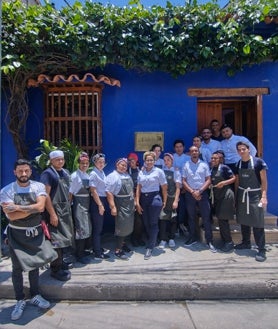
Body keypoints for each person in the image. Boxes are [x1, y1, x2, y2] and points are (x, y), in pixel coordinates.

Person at [0, 159, 57, 321]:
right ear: (14, 172)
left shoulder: (38, 187)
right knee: (17, 268)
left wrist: (17, 207)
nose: (23, 174)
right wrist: (31, 209)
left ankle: (35, 295)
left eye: (26, 171)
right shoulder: (7, 190)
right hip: (16, 234)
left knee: (34, 265)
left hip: (35, 233)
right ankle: (19, 299)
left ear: (30, 171)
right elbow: (11, 216)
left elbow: (40, 208)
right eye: (20, 171)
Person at [40, 150, 74, 281]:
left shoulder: (64, 172)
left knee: (64, 238)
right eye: (57, 160)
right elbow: (45, 195)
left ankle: (60, 262)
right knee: (56, 240)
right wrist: (52, 214)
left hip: (64, 210)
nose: (60, 161)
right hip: (54, 212)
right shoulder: (48, 174)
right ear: (51, 161)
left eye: (62, 159)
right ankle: (55, 269)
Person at [234, 141, 268, 262]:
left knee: (258, 222)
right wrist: (236, 197)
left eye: (243, 149)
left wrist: (264, 196)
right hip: (242, 195)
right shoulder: (238, 164)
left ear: (248, 149)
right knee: (244, 220)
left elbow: (264, 181)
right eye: (239, 150)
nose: (241, 151)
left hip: (255, 195)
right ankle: (246, 242)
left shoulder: (258, 162)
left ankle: (261, 249)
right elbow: (237, 181)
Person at [182, 146, 216, 252]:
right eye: (192, 151)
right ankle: (192, 237)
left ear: (198, 152)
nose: (194, 153)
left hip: (203, 194)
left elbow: (208, 180)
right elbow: (183, 181)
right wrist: (192, 192)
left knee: (206, 217)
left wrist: (200, 191)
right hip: (190, 194)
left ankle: (209, 240)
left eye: (196, 151)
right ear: (190, 153)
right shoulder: (186, 165)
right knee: (191, 217)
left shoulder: (204, 165)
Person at [136, 151, 167, 260]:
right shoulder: (141, 172)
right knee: (146, 222)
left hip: (155, 198)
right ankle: (152, 241)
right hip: (144, 198)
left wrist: (165, 200)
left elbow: (164, 187)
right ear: (144, 161)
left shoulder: (159, 172)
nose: (149, 162)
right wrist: (137, 202)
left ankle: (150, 246)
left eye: (151, 160)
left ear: (154, 161)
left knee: (153, 223)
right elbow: (139, 188)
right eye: (147, 160)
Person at [106, 158, 135, 260]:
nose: (123, 167)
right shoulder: (112, 176)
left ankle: (123, 244)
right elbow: (109, 192)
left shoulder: (126, 175)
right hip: (121, 204)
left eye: (125, 165)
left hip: (130, 204)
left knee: (128, 227)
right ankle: (118, 250)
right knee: (121, 227)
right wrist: (113, 207)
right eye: (121, 165)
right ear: (117, 165)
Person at [69, 152, 92, 264]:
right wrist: (69, 206)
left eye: (87, 163)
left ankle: (82, 250)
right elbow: (70, 193)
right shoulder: (74, 176)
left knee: (86, 227)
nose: (85, 165)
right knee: (80, 228)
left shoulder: (87, 175)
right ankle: (79, 254)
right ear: (78, 164)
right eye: (82, 163)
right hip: (79, 204)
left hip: (86, 203)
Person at [210, 152, 235, 252]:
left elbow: (233, 178)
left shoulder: (224, 168)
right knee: (220, 219)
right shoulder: (211, 169)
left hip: (226, 196)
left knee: (223, 220)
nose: (213, 160)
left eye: (216, 158)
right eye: (212, 158)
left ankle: (229, 242)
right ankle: (224, 240)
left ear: (220, 159)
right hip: (217, 196)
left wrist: (223, 182)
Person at [89, 153, 110, 261]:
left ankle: (97, 247)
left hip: (102, 200)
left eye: (103, 162)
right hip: (97, 201)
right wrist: (100, 205)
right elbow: (93, 191)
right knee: (97, 228)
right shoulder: (94, 174)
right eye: (99, 162)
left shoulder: (101, 173)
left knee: (99, 227)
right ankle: (97, 252)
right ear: (95, 162)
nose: (101, 164)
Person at [158, 153, 181, 249]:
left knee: (173, 219)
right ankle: (163, 239)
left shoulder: (176, 171)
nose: (166, 162)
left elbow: (178, 188)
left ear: (172, 161)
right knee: (163, 219)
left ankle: (171, 238)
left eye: (169, 160)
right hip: (164, 198)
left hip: (172, 198)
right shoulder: (161, 171)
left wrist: (176, 200)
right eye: (165, 160)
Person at [172, 139, 190, 233]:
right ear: (174, 148)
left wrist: (184, 187)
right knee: (173, 208)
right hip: (173, 187)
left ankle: (181, 224)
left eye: (180, 147)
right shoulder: (171, 157)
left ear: (183, 147)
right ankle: (175, 228)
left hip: (184, 187)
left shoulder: (187, 158)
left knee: (183, 207)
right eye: (177, 147)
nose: (179, 148)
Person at [127, 152, 145, 247]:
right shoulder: (126, 171)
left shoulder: (142, 170)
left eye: (132, 159)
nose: (131, 162)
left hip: (141, 197)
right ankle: (133, 238)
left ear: (136, 160)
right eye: (129, 160)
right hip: (130, 198)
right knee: (133, 220)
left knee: (140, 220)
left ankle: (139, 237)